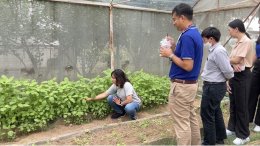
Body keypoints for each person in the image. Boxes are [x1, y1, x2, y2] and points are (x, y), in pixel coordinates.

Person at [160, 3, 203, 145]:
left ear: (182, 18)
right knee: (190, 119)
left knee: (182, 124)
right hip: (190, 85)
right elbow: (187, 58)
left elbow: (187, 65)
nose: (173, 23)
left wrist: (170, 54)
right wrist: (173, 47)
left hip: (182, 87)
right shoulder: (193, 33)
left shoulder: (187, 37)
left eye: (174, 19)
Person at [200, 27, 234, 145]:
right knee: (215, 111)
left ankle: (209, 142)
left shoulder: (219, 51)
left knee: (206, 113)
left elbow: (228, 71)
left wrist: (225, 80)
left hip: (214, 87)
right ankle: (219, 138)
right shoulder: (214, 50)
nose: (203, 42)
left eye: (204, 39)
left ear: (211, 39)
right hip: (213, 85)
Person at [226, 19, 254, 145]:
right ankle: (232, 128)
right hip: (235, 74)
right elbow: (234, 61)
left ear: (236, 29)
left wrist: (229, 60)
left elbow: (236, 59)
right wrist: (232, 62)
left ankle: (244, 135)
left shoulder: (246, 41)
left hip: (243, 76)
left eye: (230, 29)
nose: (229, 31)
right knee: (234, 103)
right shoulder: (237, 42)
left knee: (242, 106)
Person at [248, 35, 260, 132]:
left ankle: (259, 123)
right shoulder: (258, 39)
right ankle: (248, 118)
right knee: (252, 92)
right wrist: (249, 66)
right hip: (257, 66)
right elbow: (256, 54)